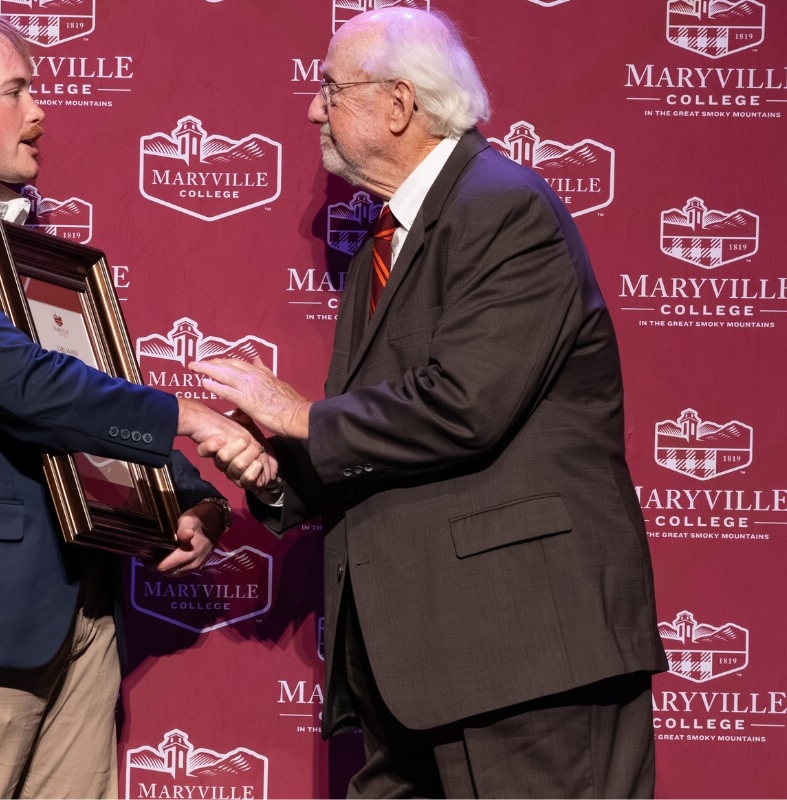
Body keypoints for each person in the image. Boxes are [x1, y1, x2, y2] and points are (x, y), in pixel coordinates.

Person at [193, 8, 666, 798]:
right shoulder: (386, 242)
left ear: (399, 104)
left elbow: (465, 406)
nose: (313, 109)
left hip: (523, 659)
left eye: (330, 90)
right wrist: (275, 471)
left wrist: (302, 416)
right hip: (414, 669)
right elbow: (383, 435)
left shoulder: (503, 206)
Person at [0, 11, 269, 798]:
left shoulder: (20, 254)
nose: (39, 111)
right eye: (16, 91)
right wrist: (186, 416)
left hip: (80, 611)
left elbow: (82, 386)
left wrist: (192, 497)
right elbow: (22, 383)